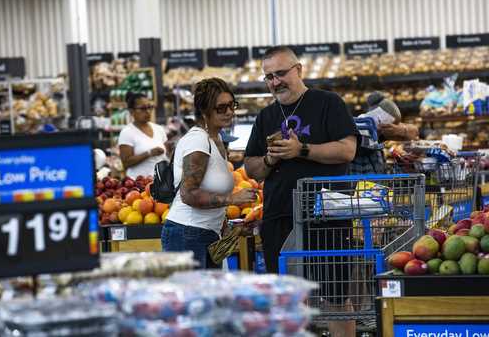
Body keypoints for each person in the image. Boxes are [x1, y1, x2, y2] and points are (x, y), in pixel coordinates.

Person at [243, 46, 358, 337]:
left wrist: (301, 149)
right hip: (280, 215)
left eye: (280, 73)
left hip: (328, 216)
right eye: (268, 77)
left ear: (299, 70)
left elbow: (347, 150)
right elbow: (251, 168)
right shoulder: (266, 116)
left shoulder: (327, 103)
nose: (275, 82)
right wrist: (271, 158)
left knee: (335, 298)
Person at [161, 78, 257, 269]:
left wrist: (228, 225)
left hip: (206, 233)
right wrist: (231, 198)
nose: (229, 112)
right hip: (187, 234)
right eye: (221, 107)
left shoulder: (217, 138)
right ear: (204, 110)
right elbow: (189, 194)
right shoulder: (198, 141)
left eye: (232, 105)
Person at [350, 91, 419, 175]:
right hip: (358, 178)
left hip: (374, 179)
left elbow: (414, 131)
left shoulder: (385, 130)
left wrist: (399, 130)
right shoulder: (356, 129)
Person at [118, 92, 168, 178]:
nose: (148, 111)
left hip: (161, 183)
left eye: (150, 107)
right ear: (131, 111)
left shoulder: (159, 129)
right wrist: (149, 153)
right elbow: (126, 163)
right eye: (143, 108)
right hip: (138, 185)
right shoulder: (127, 132)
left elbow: (166, 154)